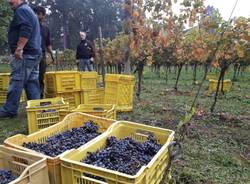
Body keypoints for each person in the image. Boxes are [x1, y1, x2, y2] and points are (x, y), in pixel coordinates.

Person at [0, 0, 42, 118]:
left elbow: (26, 28)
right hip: (34, 53)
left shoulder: (22, 10)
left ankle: (10, 110)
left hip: (26, 54)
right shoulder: (29, 11)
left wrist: (19, 48)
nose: (9, 1)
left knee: (17, 80)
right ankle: (36, 108)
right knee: (32, 82)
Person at [33, 6, 54, 98]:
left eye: (39, 14)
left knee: (40, 77)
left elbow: (48, 44)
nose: (37, 16)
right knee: (32, 78)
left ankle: (40, 97)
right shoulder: (31, 27)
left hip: (42, 56)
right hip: (31, 55)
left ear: (43, 16)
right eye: (36, 14)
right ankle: (33, 97)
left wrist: (52, 55)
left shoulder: (46, 29)